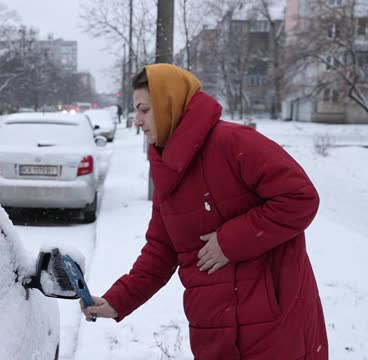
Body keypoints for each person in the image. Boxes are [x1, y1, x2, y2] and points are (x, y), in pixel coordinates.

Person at [81, 64, 328, 359]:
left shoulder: (234, 142)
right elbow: (162, 249)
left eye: (144, 110)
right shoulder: (167, 166)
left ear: (168, 104)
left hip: (274, 326)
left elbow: (300, 198)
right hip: (213, 329)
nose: (138, 121)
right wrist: (118, 301)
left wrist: (230, 242)